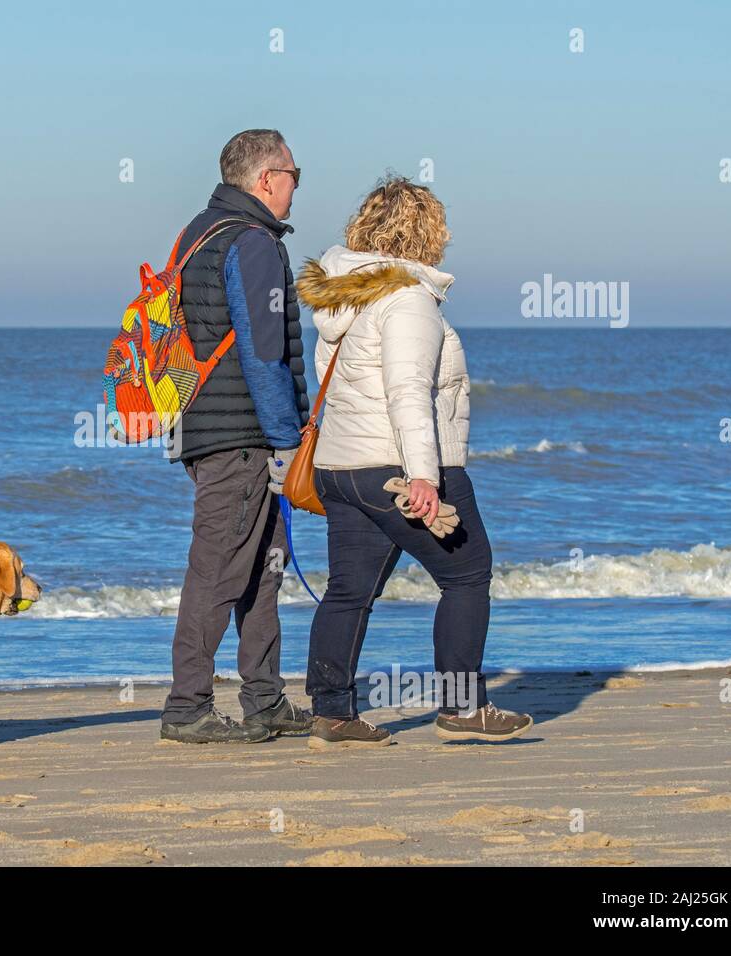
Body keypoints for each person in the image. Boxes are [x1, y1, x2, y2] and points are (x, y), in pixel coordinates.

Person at [294, 174, 533, 748]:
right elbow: (407, 392)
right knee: (467, 574)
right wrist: (425, 477)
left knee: (349, 590)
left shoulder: (345, 295)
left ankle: (331, 713)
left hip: (342, 468)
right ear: (427, 233)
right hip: (397, 469)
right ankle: (461, 706)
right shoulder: (408, 299)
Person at [159, 129, 313, 744]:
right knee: (220, 569)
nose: (296, 187)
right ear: (266, 179)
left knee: (262, 567)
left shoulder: (196, 232)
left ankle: (265, 699)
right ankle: (187, 706)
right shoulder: (251, 244)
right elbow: (263, 352)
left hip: (203, 427)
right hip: (242, 437)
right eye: (295, 174)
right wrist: (288, 441)